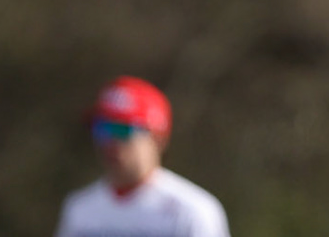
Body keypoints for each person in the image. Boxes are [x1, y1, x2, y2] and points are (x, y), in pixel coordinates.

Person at [55, 76, 229, 237]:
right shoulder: (80, 208)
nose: (110, 141)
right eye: (102, 128)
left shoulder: (192, 211)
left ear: (158, 138)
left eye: (122, 130)